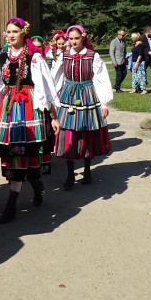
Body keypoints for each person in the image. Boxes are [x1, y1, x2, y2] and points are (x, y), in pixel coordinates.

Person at [0, 17, 61, 224]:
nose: (10, 35)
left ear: (23, 33)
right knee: (13, 154)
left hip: (28, 108)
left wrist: (53, 116)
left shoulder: (34, 58)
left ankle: (13, 201)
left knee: (24, 153)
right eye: (8, 32)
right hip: (7, 109)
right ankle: (34, 186)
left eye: (14, 32)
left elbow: (46, 88)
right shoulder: (0, 57)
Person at [51, 25, 113, 189]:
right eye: (70, 39)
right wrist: (52, 101)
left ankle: (86, 169)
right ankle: (70, 174)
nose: (73, 42)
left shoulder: (93, 56)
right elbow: (55, 79)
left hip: (87, 95)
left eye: (76, 38)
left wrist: (104, 103)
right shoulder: (63, 56)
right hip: (68, 96)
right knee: (67, 134)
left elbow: (101, 79)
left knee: (87, 133)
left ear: (83, 37)